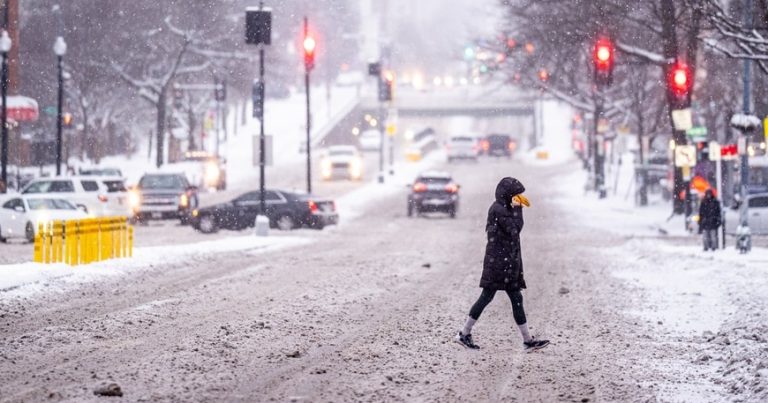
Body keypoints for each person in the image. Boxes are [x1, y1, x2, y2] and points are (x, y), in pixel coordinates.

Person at [455, 177, 549, 352]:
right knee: (488, 296)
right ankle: (464, 333)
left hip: (506, 263)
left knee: (514, 298)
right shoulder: (499, 210)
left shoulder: (503, 208)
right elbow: (515, 230)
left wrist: (515, 208)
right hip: (499, 264)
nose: (518, 197)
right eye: (516, 194)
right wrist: (518, 209)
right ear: (507, 194)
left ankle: (527, 340)